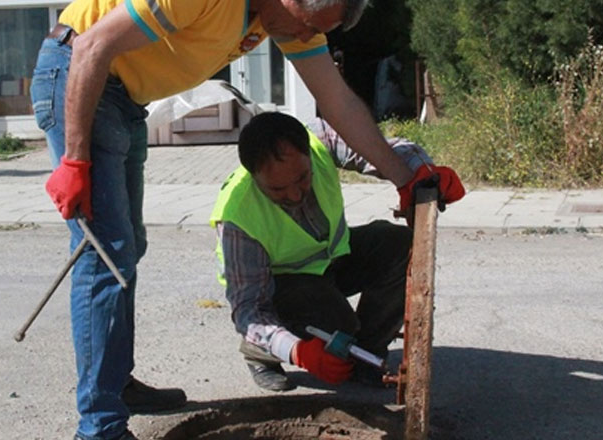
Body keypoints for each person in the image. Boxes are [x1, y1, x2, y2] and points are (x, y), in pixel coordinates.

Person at [30, 1, 459, 438]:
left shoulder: (290, 19)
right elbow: (91, 46)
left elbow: (339, 103)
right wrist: (75, 160)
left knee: (127, 249)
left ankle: (114, 383)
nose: (303, 35)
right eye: (307, 24)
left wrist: (406, 178)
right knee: (107, 254)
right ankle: (99, 426)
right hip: (77, 74)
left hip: (126, 99)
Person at [209, 112, 465, 391]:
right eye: (278, 189)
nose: (295, 195)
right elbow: (250, 311)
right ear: (253, 176)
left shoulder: (319, 141)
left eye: (303, 178)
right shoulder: (237, 217)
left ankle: (365, 355)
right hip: (279, 286)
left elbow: (387, 149)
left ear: (307, 153)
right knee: (336, 325)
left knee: (398, 245)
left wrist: (421, 173)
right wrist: (297, 350)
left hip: (329, 261)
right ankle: (257, 351)